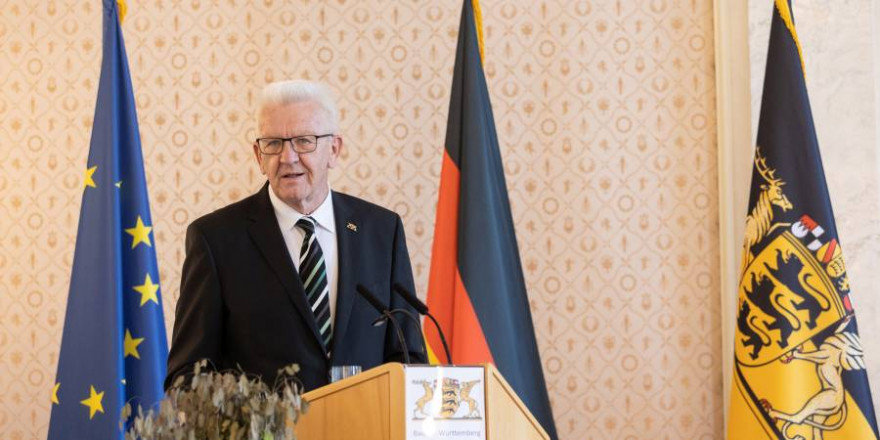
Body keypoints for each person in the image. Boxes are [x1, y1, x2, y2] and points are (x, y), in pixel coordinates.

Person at [166, 80, 425, 392]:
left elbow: (409, 359)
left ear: (334, 149)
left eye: (304, 141)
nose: (287, 157)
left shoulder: (382, 231)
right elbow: (188, 378)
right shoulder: (216, 239)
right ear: (258, 156)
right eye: (273, 143)